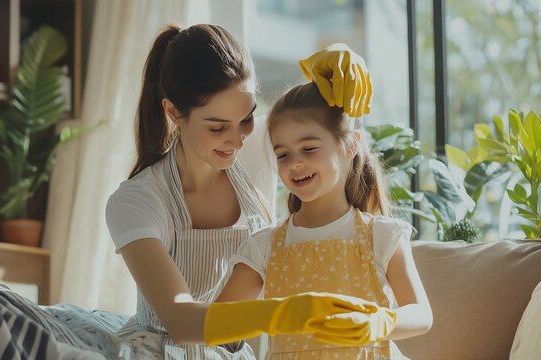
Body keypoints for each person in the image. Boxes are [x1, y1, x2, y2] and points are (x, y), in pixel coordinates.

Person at [105, 24, 374, 359]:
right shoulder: (136, 201)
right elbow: (182, 322)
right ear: (174, 112)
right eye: (218, 127)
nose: (236, 139)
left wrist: (342, 70)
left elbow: (332, 138)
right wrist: (287, 313)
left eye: (247, 118)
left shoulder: (256, 147)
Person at [215, 77, 433, 358]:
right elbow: (219, 324)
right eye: (282, 154)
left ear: (351, 145)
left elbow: (421, 315)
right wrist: (277, 315)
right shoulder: (265, 246)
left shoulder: (381, 235)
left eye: (309, 148)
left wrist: (378, 322)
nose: (295, 163)